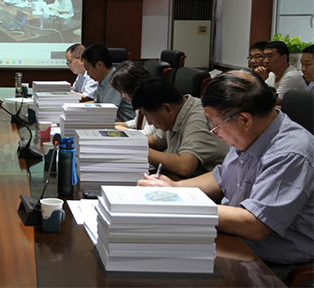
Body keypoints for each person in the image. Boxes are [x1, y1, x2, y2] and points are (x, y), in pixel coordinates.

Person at [138, 70, 314, 273]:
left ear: (245, 120)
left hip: (271, 264)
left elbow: (255, 224)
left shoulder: (290, 152)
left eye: (215, 125)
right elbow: (220, 177)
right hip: (235, 241)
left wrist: (181, 204)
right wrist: (175, 188)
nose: (214, 132)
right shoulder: (252, 134)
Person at [132, 76, 229, 178]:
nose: (149, 122)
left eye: (148, 116)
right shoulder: (173, 117)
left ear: (167, 109)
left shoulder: (199, 118)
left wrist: (140, 151)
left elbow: (184, 166)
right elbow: (155, 141)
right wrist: (127, 143)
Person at [81, 44, 135, 122]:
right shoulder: (102, 79)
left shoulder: (115, 81)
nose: (87, 74)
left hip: (124, 125)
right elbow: (97, 103)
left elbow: (106, 112)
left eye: (87, 69)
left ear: (99, 65)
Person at [110, 61, 155, 135]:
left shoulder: (153, 102)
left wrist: (124, 129)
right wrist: (122, 124)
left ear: (132, 87)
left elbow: (148, 134)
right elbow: (137, 121)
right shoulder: (140, 100)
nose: (123, 96)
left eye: (123, 92)